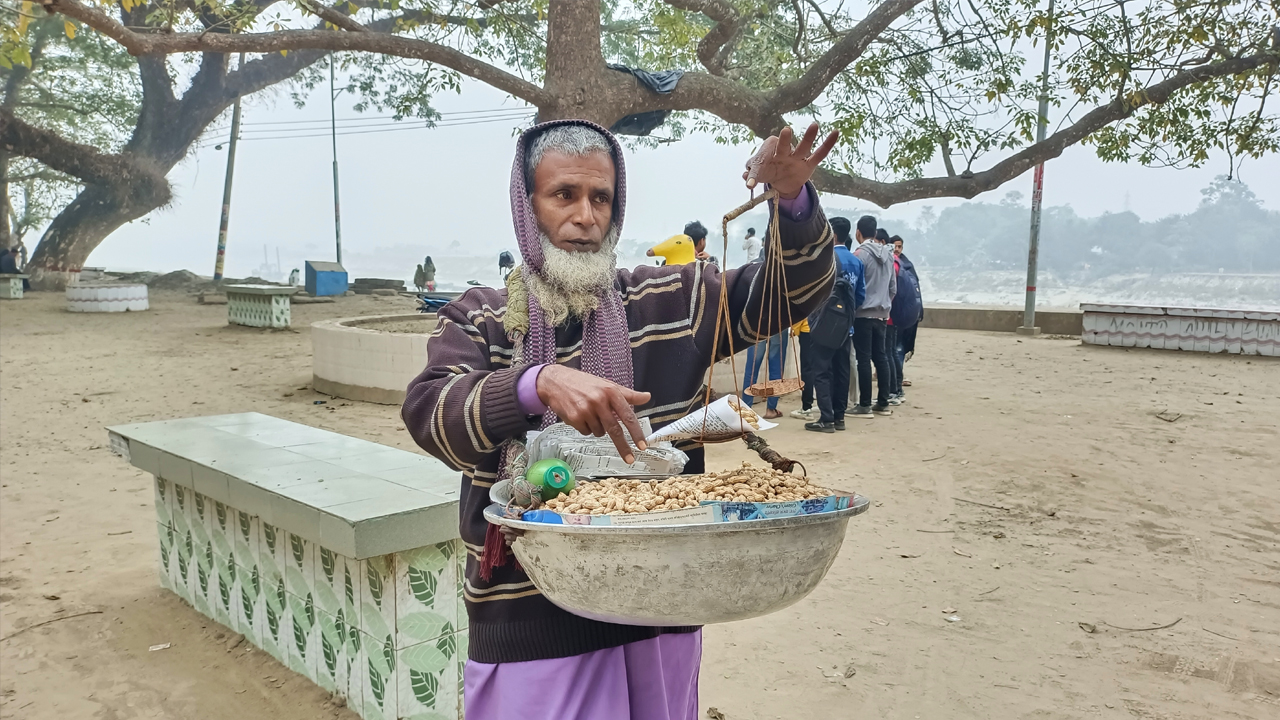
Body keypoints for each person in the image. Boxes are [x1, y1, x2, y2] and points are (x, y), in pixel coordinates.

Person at [402, 119, 839, 720]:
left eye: (600, 197)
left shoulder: (668, 300)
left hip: (659, 612)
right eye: (564, 195)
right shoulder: (483, 317)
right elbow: (430, 412)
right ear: (527, 206)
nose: (585, 215)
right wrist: (535, 384)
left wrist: (789, 201)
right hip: (532, 621)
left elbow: (788, 295)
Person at [804, 216, 864, 432]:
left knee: (821, 371)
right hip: (846, 326)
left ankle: (826, 418)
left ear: (833, 235)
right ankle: (839, 417)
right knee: (842, 371)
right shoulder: (856, 261)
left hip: (823, 326)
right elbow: (860, 295)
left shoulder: (824, 259)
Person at [850, 215, 895, 418]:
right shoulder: (889, 255)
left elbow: (855, 287)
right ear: (875, 233)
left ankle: (865, 404)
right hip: (882, 314)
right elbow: (893, 288)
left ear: (858, 233)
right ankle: (883, 401)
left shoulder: (859, 254)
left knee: (863, 359)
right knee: (881, 357)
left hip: (863, 314)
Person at [891, 235, 922, 393]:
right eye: (894, 246)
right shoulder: (891, 264)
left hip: (902, 313)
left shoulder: (907, 266)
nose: (896, 249)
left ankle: (898, 377)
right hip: (891, 313)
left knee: (898, 347)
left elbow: (915, 292)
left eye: (899, 246)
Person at [874, 228, 899, 403]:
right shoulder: (894, 261)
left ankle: (892, 392)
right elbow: (893, 289)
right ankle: (891, 393)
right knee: (885, 354)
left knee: (883, 354)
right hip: (887, 313)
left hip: (875, 314)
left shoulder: (867, 256)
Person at [741, 331, 787, 419]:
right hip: (779, 323)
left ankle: (746, 409)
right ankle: (771, 410)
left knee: (752, 368)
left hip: (757, 324)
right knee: (776, 367)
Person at [788, 317, 815, 420]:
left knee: (807, 368)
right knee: (821, 368)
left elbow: (804, 311)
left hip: (807, 330)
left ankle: (806, 408)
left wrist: (795, 329)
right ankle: (826, 406)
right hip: (822, 328)